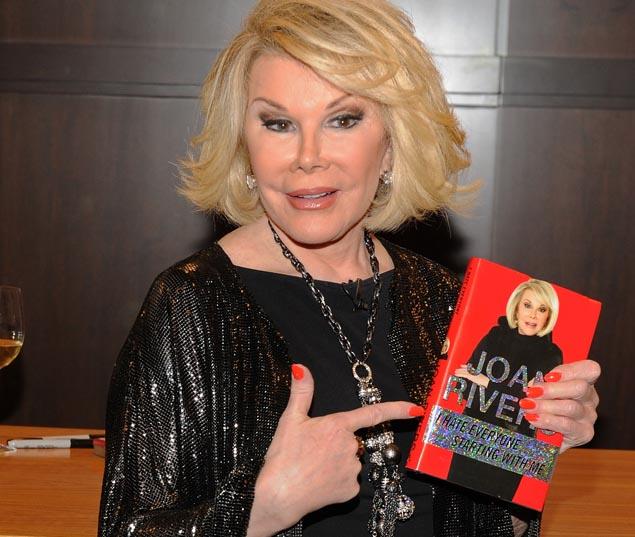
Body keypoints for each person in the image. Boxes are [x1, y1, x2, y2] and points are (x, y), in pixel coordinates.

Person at [98, 1, 601, 536]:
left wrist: (534, 450)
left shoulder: (444, 299)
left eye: (342, 120)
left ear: (391, 144)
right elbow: (127, 527)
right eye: (278, 124)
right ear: (245, 146)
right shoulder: (191, 304)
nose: (308, 156)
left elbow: (486, 528)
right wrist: (263, 509)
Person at [450, 279, 564, 501]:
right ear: (516, 308)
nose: (533, 315)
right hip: (472, 433)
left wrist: (486, 382)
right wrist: (505, 391)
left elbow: (530, 404)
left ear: (549, 316)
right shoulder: (494, 336)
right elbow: (464, 383)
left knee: (498, 509)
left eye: (541, 309)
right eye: (527, 305)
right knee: (456, 502)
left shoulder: (551, 354)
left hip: (514, 445)